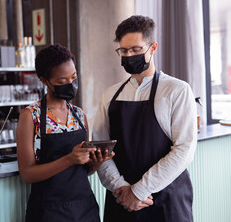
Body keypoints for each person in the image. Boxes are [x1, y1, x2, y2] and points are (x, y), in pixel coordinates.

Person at [93, 15, 197, 222]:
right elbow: (100, 149)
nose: (129, 55)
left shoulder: (177, 90)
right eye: (124, 51)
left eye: (136, 50)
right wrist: (121, 188)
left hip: (168, 201)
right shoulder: (109, 95)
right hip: (121, 200)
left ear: (153, 47)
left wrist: (139, 191)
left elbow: (184, 150)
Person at [17, 44, 113, 222]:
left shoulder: (79, 115)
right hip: (48, 211)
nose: (70, 84)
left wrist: (95, 163)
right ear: (44, 80)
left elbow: (83, 171)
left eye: (74, 77)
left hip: (84, 208)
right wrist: (69, 159)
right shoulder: (31, 116)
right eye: (62, 82)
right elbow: (27, 174)